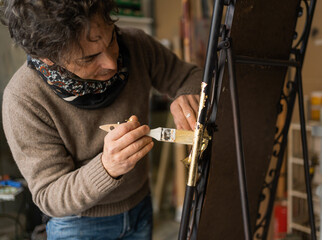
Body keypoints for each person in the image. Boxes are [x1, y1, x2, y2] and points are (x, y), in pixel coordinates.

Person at [1, 1, 201, 239]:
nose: (112, 63)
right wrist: (106, 167)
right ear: (47, 58)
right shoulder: (23, 99)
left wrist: (189, 94)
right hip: (77, 225)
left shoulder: (135, 44)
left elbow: (190, 75)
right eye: (89, 58)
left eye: (111, 41)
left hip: (140, 205)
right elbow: (48, 195)